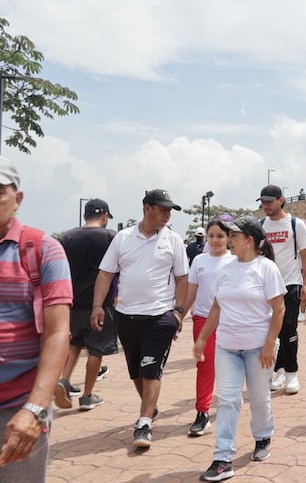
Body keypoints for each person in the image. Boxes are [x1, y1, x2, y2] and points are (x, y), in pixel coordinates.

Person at [91, 188, 189, 448]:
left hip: (160, 315)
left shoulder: (173, 240)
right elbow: (105, 274)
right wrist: (97, 306)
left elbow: (182, 278)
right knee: (136, 371)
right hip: (126, 316)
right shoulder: (123, 238)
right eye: (163, 209)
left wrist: (178, 312)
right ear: (147, 208)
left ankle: (144, 422)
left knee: (151, 368)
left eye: (170, 210)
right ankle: (150, 407)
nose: (167, 215)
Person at [194, 216, 286, 482]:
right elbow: (216, 308)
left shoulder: (266, 268)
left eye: (234, 236)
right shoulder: (226, 268)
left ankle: (262, 437)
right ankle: (223, 457)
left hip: (258, 348)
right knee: (228, 400)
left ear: (249, 241)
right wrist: (202, 339)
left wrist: (270, 344)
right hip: (227, 347)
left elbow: (279, 309)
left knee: (258, 397)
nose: (229, 240)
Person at [0, 157, 72, 481]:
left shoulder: (42, 249)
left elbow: (58, 332)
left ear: (18, 199)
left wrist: (34, 409)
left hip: (19, 404)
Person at [56, 198, 118, 411]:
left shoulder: (67, 237)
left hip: (72, 301)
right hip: (99, 303)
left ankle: (64, 380)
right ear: (105, 216)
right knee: (96, 349)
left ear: (85, 215)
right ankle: (87, 395)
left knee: (74, 344)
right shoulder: (111, 237)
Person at [182, 219, 235, 436]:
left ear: (228, 238)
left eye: (220, 236)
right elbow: (191, 291)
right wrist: (180, 316)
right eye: (211, 236)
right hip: (203, 319)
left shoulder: (235, 261)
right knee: (205, 365)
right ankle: (202, 412)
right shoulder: (199, 261)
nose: (215, 240)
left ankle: (228, 406)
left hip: (230, 321)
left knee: (230, 366)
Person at [258, 185, 306, 395]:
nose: (266, 206)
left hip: (290, 283)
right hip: (266, 285)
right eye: (263, 202)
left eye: (269, 201)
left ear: (281, 200)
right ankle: (278, 371)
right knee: (271, 330)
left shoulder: (295, 224)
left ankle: (292, 373)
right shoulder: (260, 225)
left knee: (289, 328)